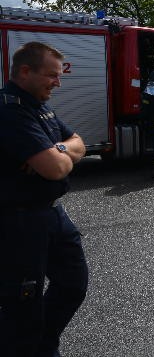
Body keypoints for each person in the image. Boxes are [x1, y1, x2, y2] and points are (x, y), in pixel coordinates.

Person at [0, 41, 88, 357]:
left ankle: (42, 342)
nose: (58, 82)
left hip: (52, 214)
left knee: (73, 284)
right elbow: (53, 170)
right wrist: (58, 155)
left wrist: (58, 148)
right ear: (25, 72)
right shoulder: (10, 109)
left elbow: (79, 142)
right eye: (52, 75)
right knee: (23, 305)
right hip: (20, 222)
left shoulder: (39, 106)